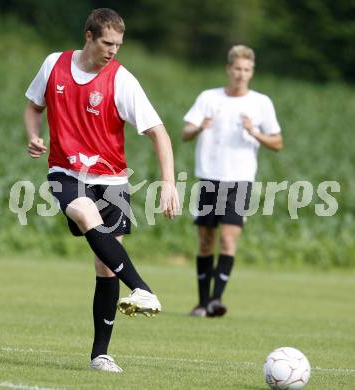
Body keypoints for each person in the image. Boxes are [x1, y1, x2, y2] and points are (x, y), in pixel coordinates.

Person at [24, 8, 179, 372]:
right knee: (85, 213)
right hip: (67, 171)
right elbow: (33, 106)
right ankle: (142, 287)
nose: (113, 50)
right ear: (89, 36)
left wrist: (169, 183)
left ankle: (100, 355)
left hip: (112, 182)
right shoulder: (54, 65)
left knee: (107, 268)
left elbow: (159, 132)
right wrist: (33, 134)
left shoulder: (122, 80)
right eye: (108, 42)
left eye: (119, 45)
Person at [182, 45, 283, 318]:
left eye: (247, 70)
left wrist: (255, 133)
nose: (241, 74)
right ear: (229, 69)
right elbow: (185, 132)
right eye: (237, 68)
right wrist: (199, 126)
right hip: (209, 178)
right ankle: (202, 303)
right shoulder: (209, 97)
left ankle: (216, 300)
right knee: (205, 240)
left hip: (239, 181)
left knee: (228, 240)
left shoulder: (261, 103)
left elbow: (277, 141)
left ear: (252, 72)